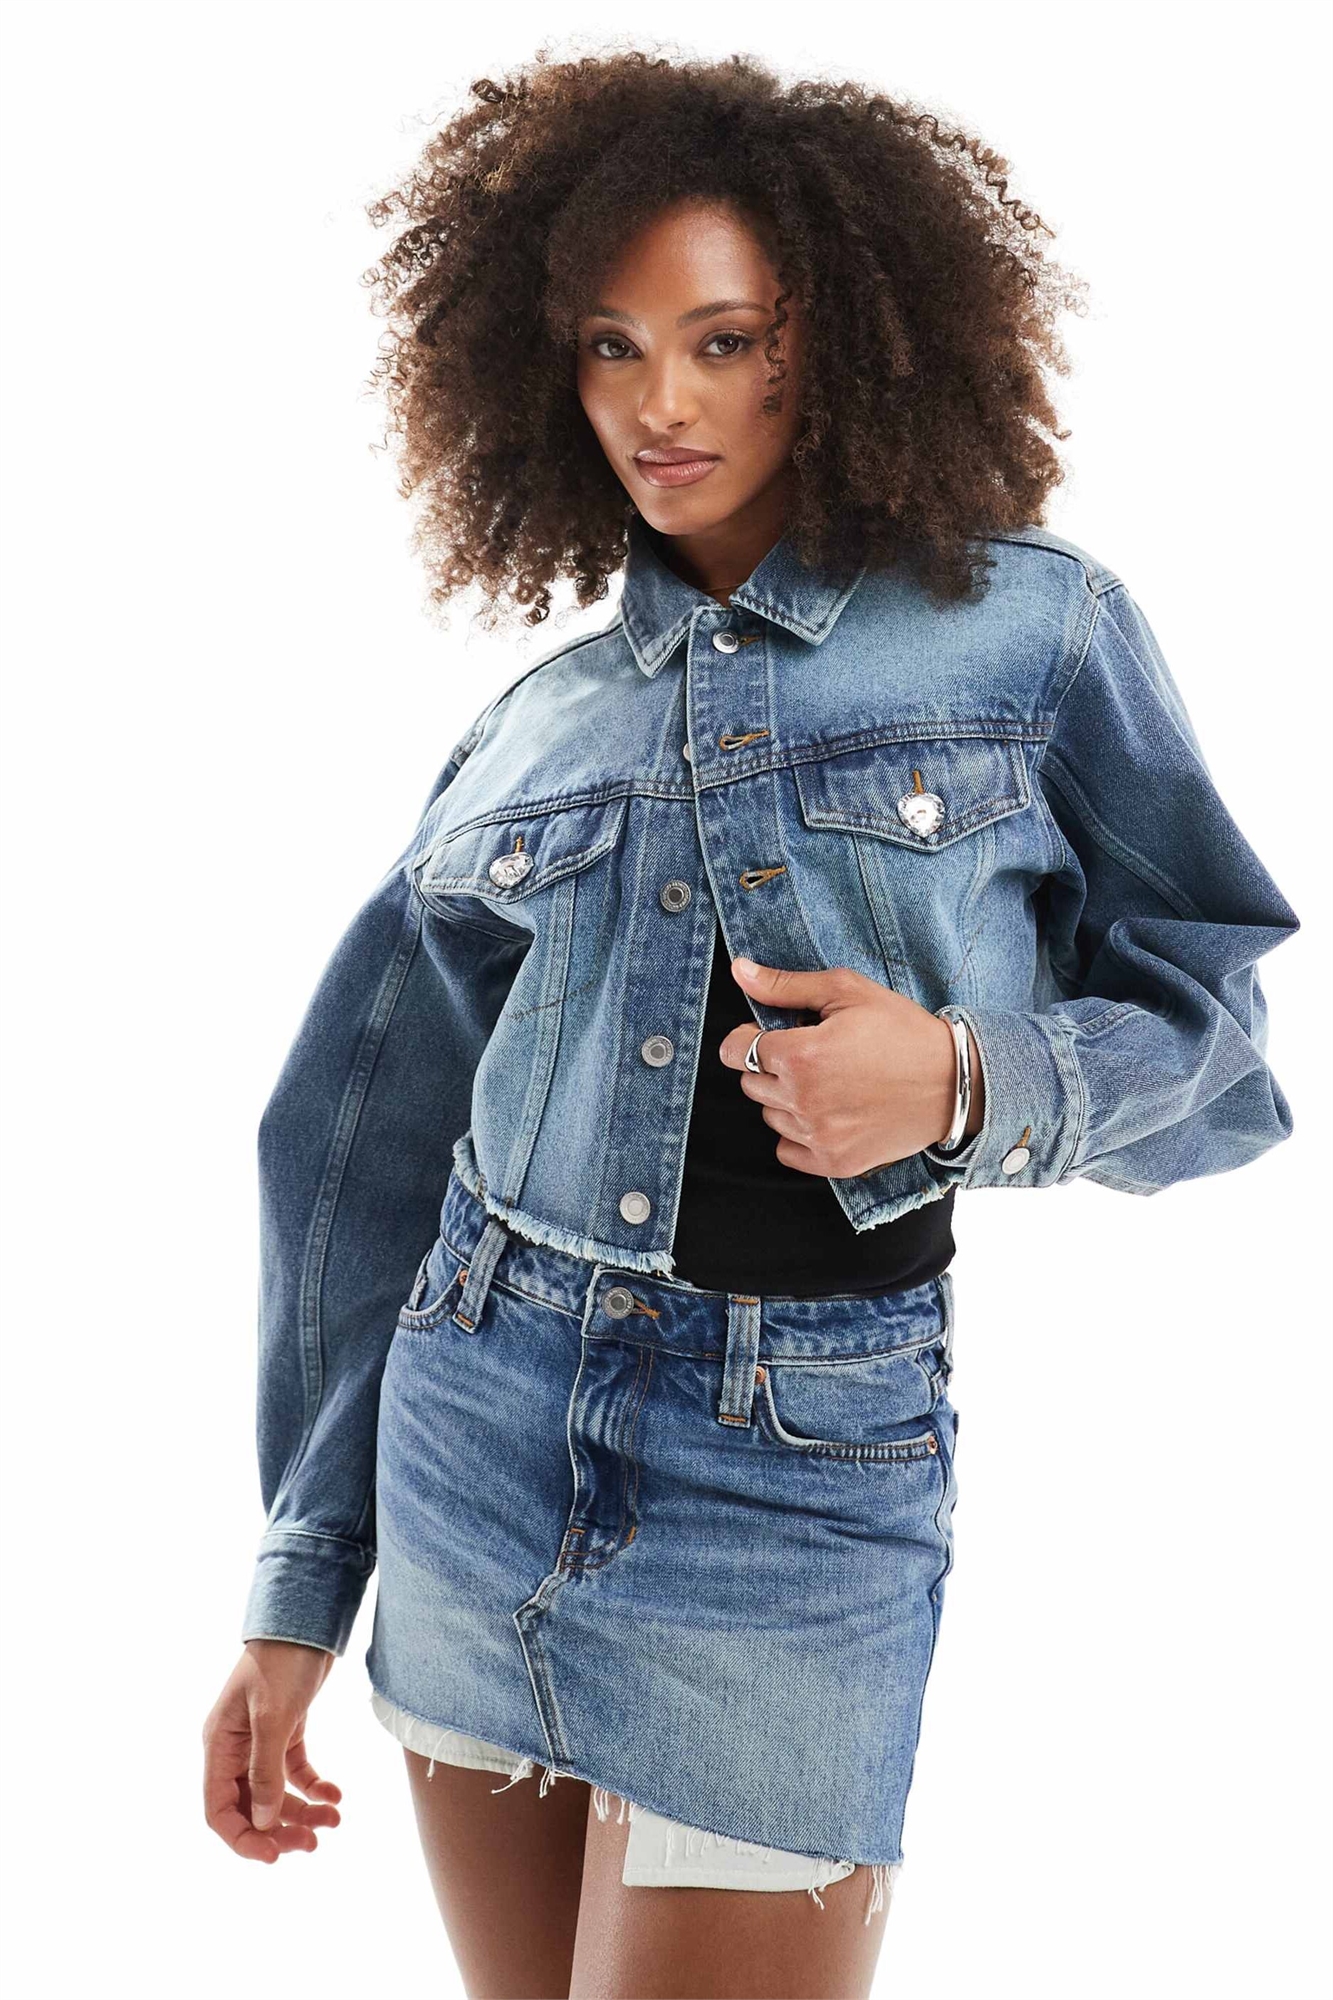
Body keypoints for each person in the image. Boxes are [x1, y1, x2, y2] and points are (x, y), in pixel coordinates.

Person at [201, 47, 1299, 2000]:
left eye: (724, 342)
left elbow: (1217, 1038)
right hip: (473, 1435)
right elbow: (355, 1155)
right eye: (612, 350)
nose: (662, 405)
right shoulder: (535, 724)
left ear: (840, 341)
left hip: (796, 1474)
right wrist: (300, 1578)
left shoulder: (1030, 636)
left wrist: (965, 1080)